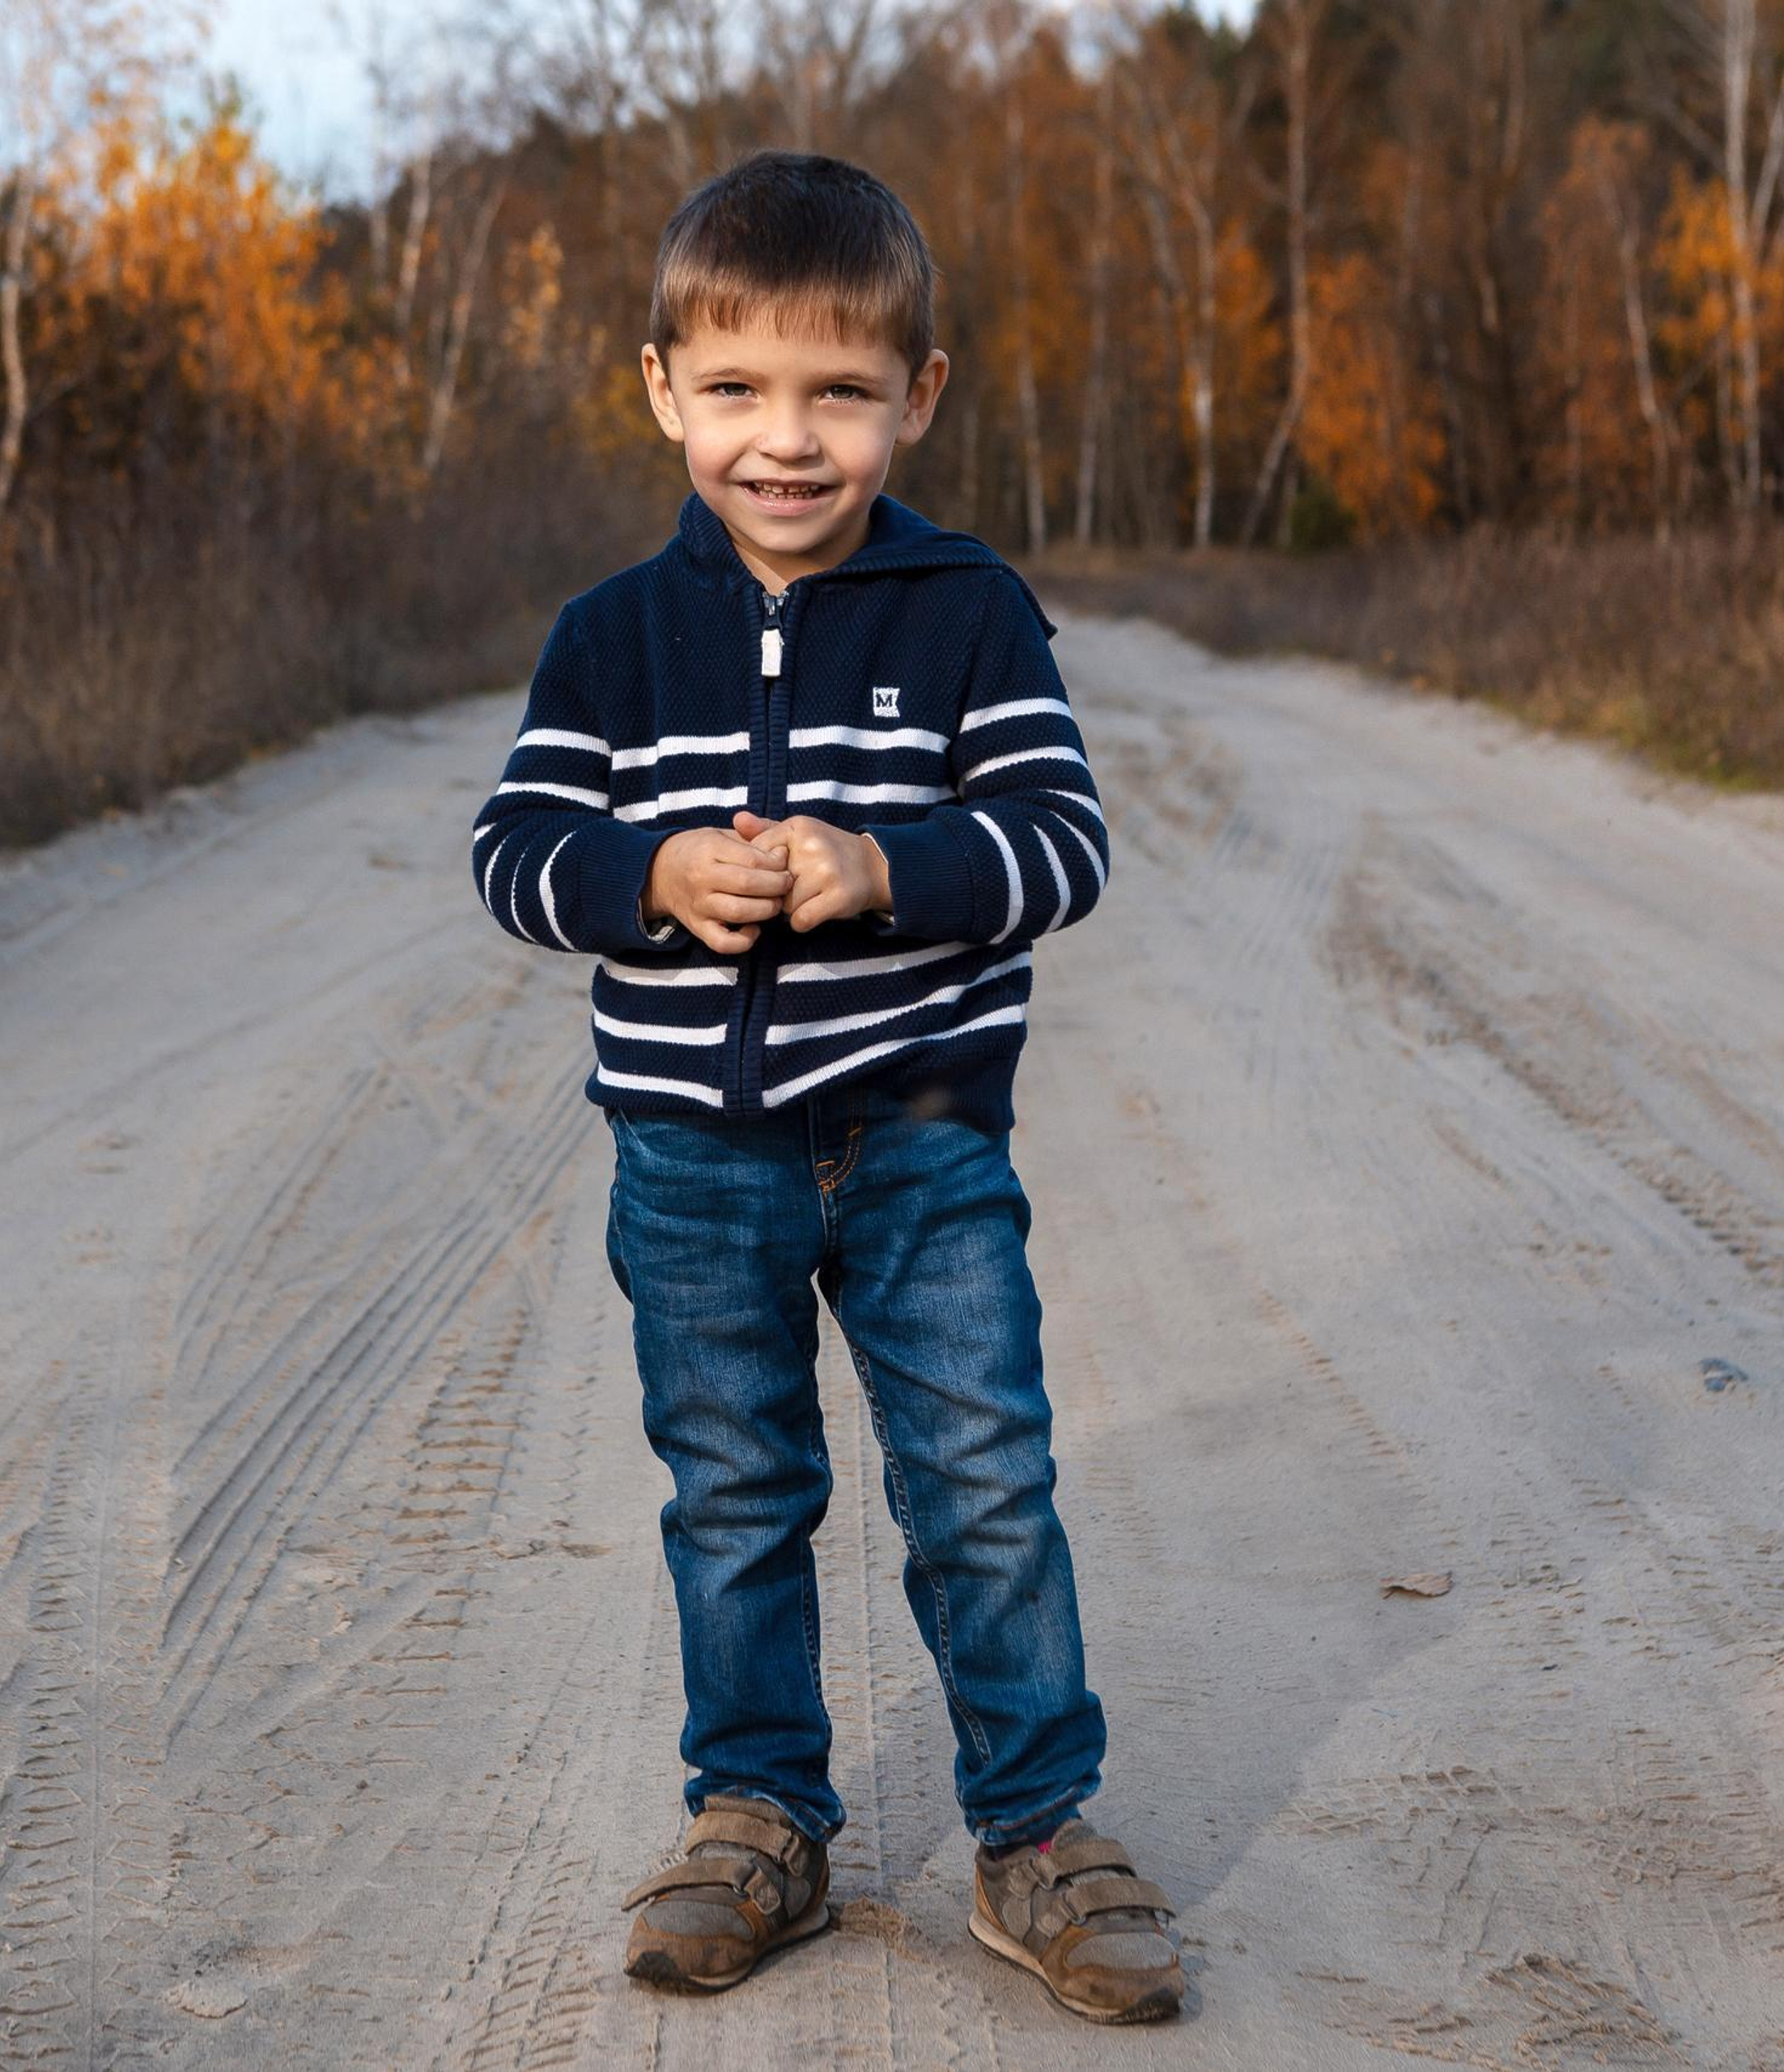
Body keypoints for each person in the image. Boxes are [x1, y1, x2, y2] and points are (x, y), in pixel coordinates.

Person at [468, 147, 1184, 2027]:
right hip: (692, 1152)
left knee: (981, 1475)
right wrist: (645, 874)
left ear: (915, 396)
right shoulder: (609, 638)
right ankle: (758, 1807)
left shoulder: (966, 612)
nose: (783, 441)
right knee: (732, 1484)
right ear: (659, 389)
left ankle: (1034, 1826)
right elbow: (511, 850)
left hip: (923, 1136)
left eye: (838, 392)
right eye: (735, 390)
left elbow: (1060, 840)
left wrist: (885, 867)